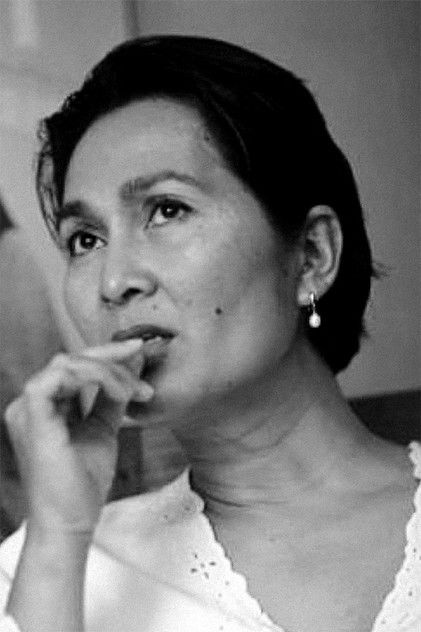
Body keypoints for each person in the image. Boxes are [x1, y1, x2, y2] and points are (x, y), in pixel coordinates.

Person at [0, 35, 419, 632]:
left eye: (167, 209)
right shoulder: (42, 571)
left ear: (311, 254)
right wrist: (59, 540)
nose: (114, 281)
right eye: (84, 240)